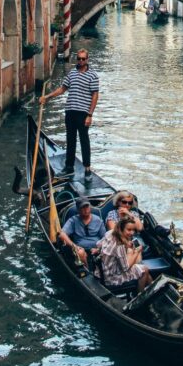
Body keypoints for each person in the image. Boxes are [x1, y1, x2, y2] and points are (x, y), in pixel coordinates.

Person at [42, 49, 99, 179]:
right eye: (79, 58)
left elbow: (95, 95)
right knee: (70, 140)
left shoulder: (93, 75)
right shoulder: (72, 73)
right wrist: (47, 97)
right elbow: (62, 89)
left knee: (84, 140)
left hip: (83, 113)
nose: (81, 61)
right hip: (70, 111)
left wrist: (90, 115)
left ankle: (87, 169)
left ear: (87, 59)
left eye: (83, 59)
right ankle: (69, 168)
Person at [99, 216, 152, 293]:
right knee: (145, 270)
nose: (132, 233)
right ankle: (140, 297)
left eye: (134, 230)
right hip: (111, 277)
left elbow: (98, 244)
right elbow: (125, 268)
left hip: (104, 270)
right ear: (121, 229)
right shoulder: (119, 245)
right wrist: (137, 251)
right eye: (129, 230)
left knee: (145, 273)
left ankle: (153, 291)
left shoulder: (110, 233)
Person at [58, 197, 105, 267]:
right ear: (78, 209)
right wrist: (75, 247)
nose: (86, 209)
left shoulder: (98, 220)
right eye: (83, 207)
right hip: (80, 248)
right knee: (80, 252)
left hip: (97, 248)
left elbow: (105, 237)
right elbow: (62, 234)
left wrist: (98, 249)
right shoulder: (73, 220)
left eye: (87, 206)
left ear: (90, 206)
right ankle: (87, 271)